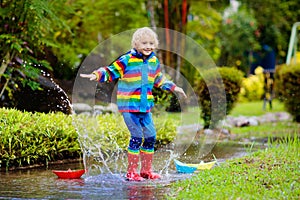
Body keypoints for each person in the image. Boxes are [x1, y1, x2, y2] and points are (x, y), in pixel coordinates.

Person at [80, 27, 187, 181]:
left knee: (151, 137)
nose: (148, 46)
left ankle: (146, 171)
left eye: (151, 43)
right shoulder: (127, 60)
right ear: (136, 44)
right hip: (129, 107)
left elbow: (158, 79)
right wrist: (97, 74)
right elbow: (111, 70)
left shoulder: (153, 61)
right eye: (144, 43)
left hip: (145, 107)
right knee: (136, 136)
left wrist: (174, 87)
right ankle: (131, 173)